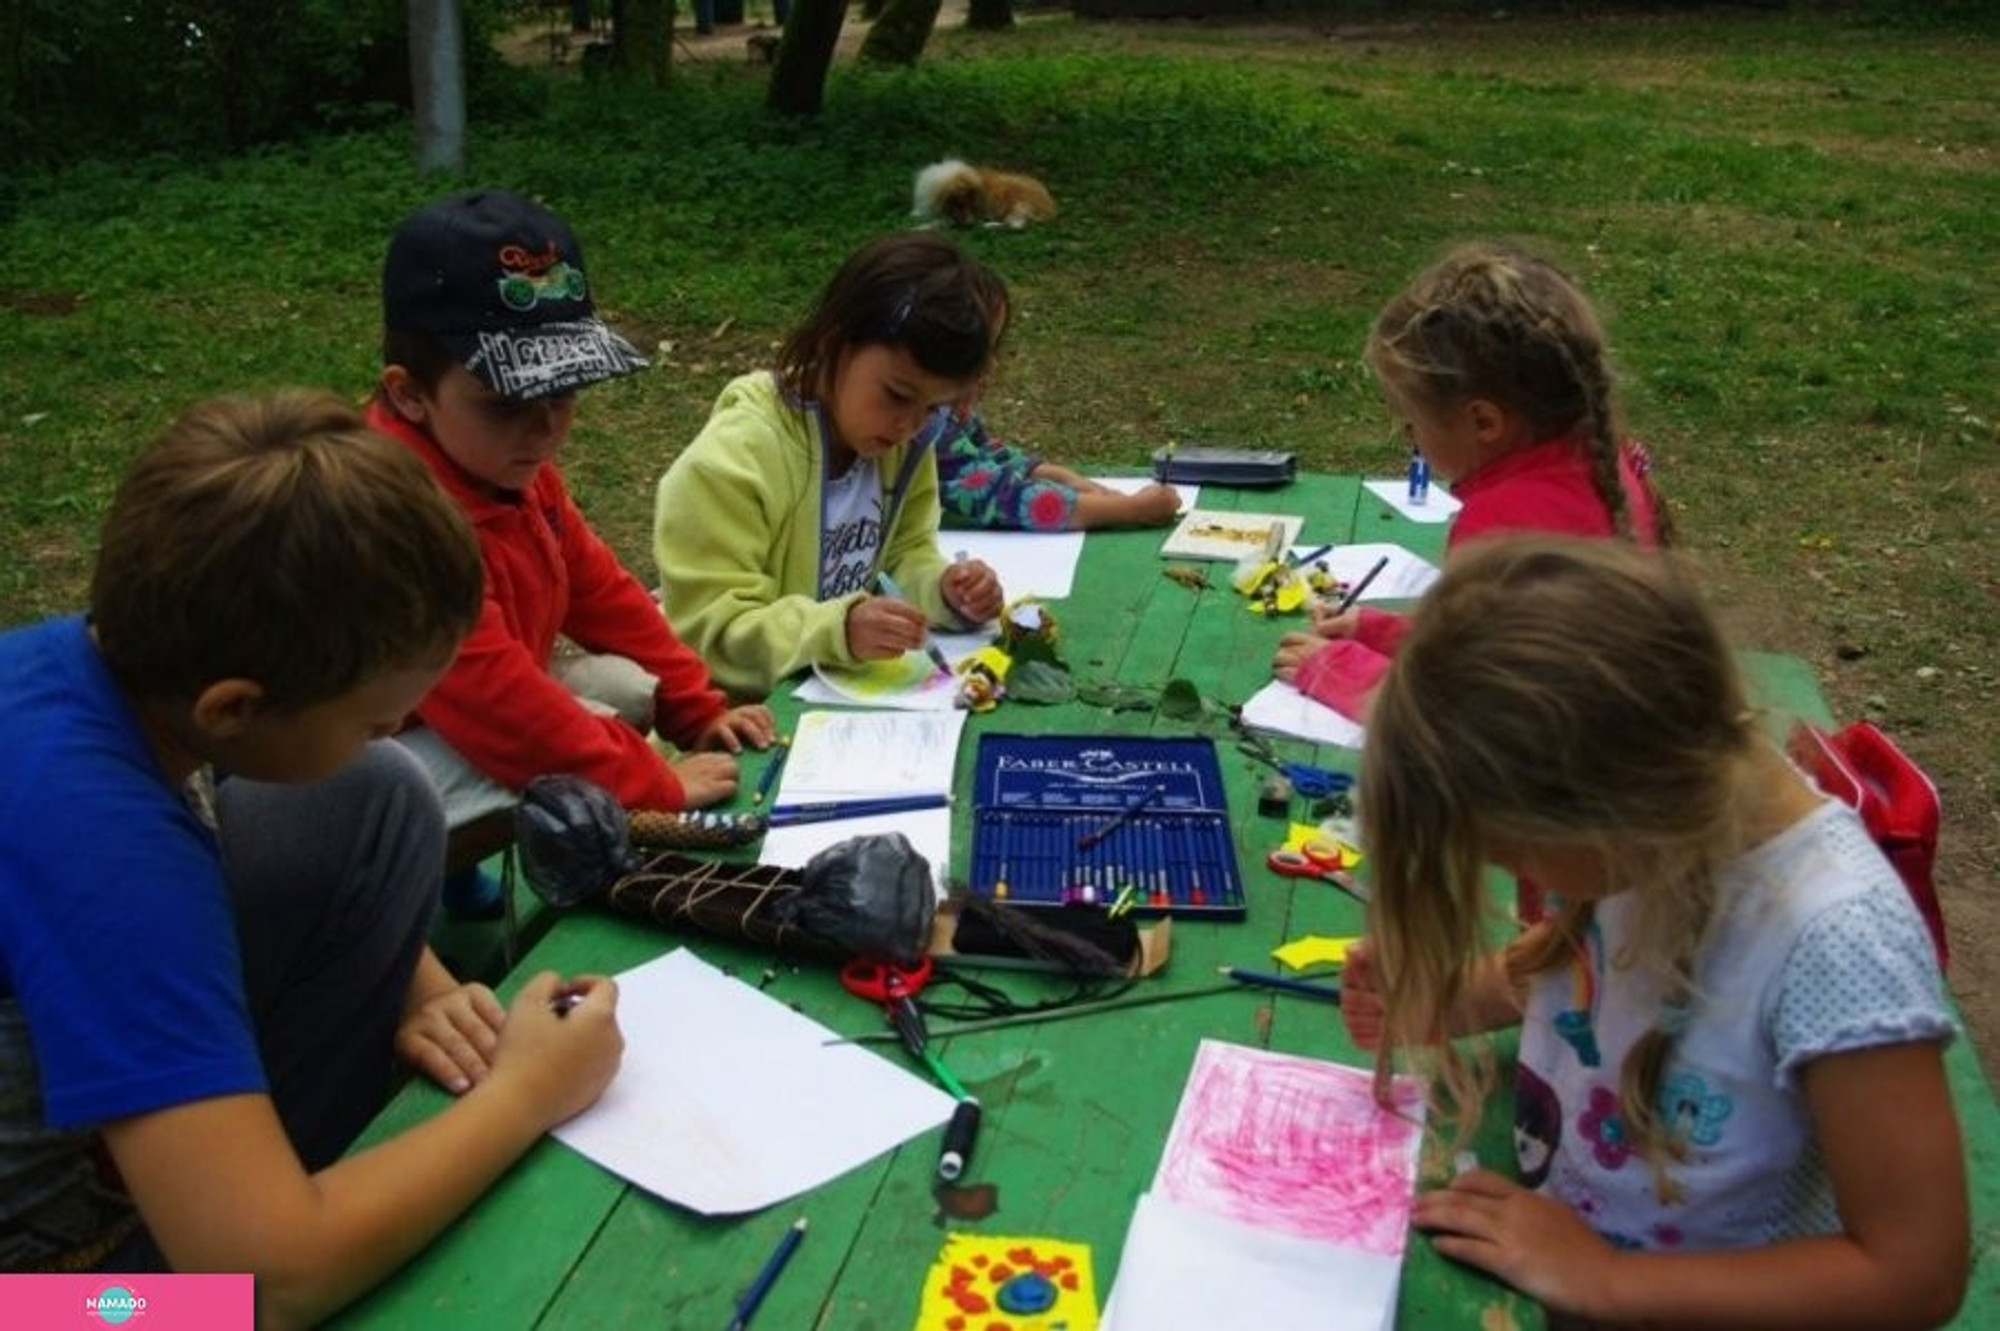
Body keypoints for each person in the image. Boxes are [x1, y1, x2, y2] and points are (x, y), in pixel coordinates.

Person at [0, 391, 623, 1320]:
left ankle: (237, 1177)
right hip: (46, 1297)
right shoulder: (116, 866)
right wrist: (529, 1092)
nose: (389, 731)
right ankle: (203, 1214)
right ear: (233, 708)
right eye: (376, 717)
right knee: (187, 1305)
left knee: (373, 796)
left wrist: (416, 982)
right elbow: (267, 1283)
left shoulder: (88, 667)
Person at [1340, 537, 1968, 1328]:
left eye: (1508, 852)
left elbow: (1914, 1274)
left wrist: (1605, 1278)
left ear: (1605, 808)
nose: (1512, 874)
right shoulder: (1666, 827)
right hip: (1559, 1257)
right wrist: (1445, 996)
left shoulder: (1837, 939)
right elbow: (1584, 966)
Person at [372, 189, 775, 856]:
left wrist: (698, 706)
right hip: (341, 768)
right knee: (567, 747)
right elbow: (500, 707)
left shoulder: (501, 465)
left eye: (563, 392)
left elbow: (599, 589)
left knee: (623, 689)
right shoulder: (393, 518)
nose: (544, 426)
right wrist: (652, 782)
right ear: (409, 392)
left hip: (435, 709)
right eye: (506, 402)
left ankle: (457, 864)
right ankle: (417, 880)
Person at [1272, 240, 1670, 692]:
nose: (1411, 439)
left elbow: (1466, 709)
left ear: (1483, 421)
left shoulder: (1500, 527)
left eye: (1412, 424)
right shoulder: (1597, 459)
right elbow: (1504, 639)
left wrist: (1341, 672)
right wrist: (1379, 631)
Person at [653, 232, 1008, 699]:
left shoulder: (903, 440)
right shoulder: (734, 460)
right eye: (897, 395)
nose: (908, 425)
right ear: (833, 342)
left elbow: (903, 556)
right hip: (728, 723)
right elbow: (708, 634)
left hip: (833, 704)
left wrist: (944, 589)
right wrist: (836, 630)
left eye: (931, 408)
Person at [915, 290, 1181, 532]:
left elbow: (989, 453)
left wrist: (1066, 478)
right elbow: (1003, 497)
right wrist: (1132, 511)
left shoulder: (948, 409)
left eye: (995, 347)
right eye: (982, 350)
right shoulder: (924, 421)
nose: (993, 365)